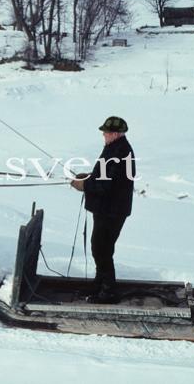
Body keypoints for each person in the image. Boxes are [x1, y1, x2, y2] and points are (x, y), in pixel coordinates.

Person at [71, 116, 135, 304]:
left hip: (111, 210)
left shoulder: (118, 151)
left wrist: (84, 185)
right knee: (100, 247)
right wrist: (90, 176)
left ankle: (108, 292)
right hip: (109, 208)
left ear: (114, 134)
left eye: (106, 132)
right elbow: (106, 176)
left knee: (102, 249)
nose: (103, 135)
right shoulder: (116, 147)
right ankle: (100, 284)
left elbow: (106, 185)